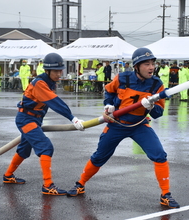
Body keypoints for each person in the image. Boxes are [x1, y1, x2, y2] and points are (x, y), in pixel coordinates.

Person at [67, 47, 180, 209]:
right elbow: (109, 91)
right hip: (116, 124)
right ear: (136, 66)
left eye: (152, 64)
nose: (151, 67)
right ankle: (80, 184)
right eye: (146, 64)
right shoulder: (122, 78)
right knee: (99, 157)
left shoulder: (156, 84)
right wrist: (108, 105)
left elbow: (158, 114)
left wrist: (150, 106)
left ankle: (166, 195)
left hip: (139, 125)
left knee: (160, 155)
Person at [3, 52, 85, 195]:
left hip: (34, 120)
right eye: (56, 71)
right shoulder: (40, 83)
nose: (59, 74)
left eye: (61, 70)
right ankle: (48, 185)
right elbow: (54, 102)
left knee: (24, 150)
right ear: (47, 70)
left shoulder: (49, 82)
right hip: (26, 120)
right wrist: (73, 118)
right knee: (46, 147)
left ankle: (8, 176)